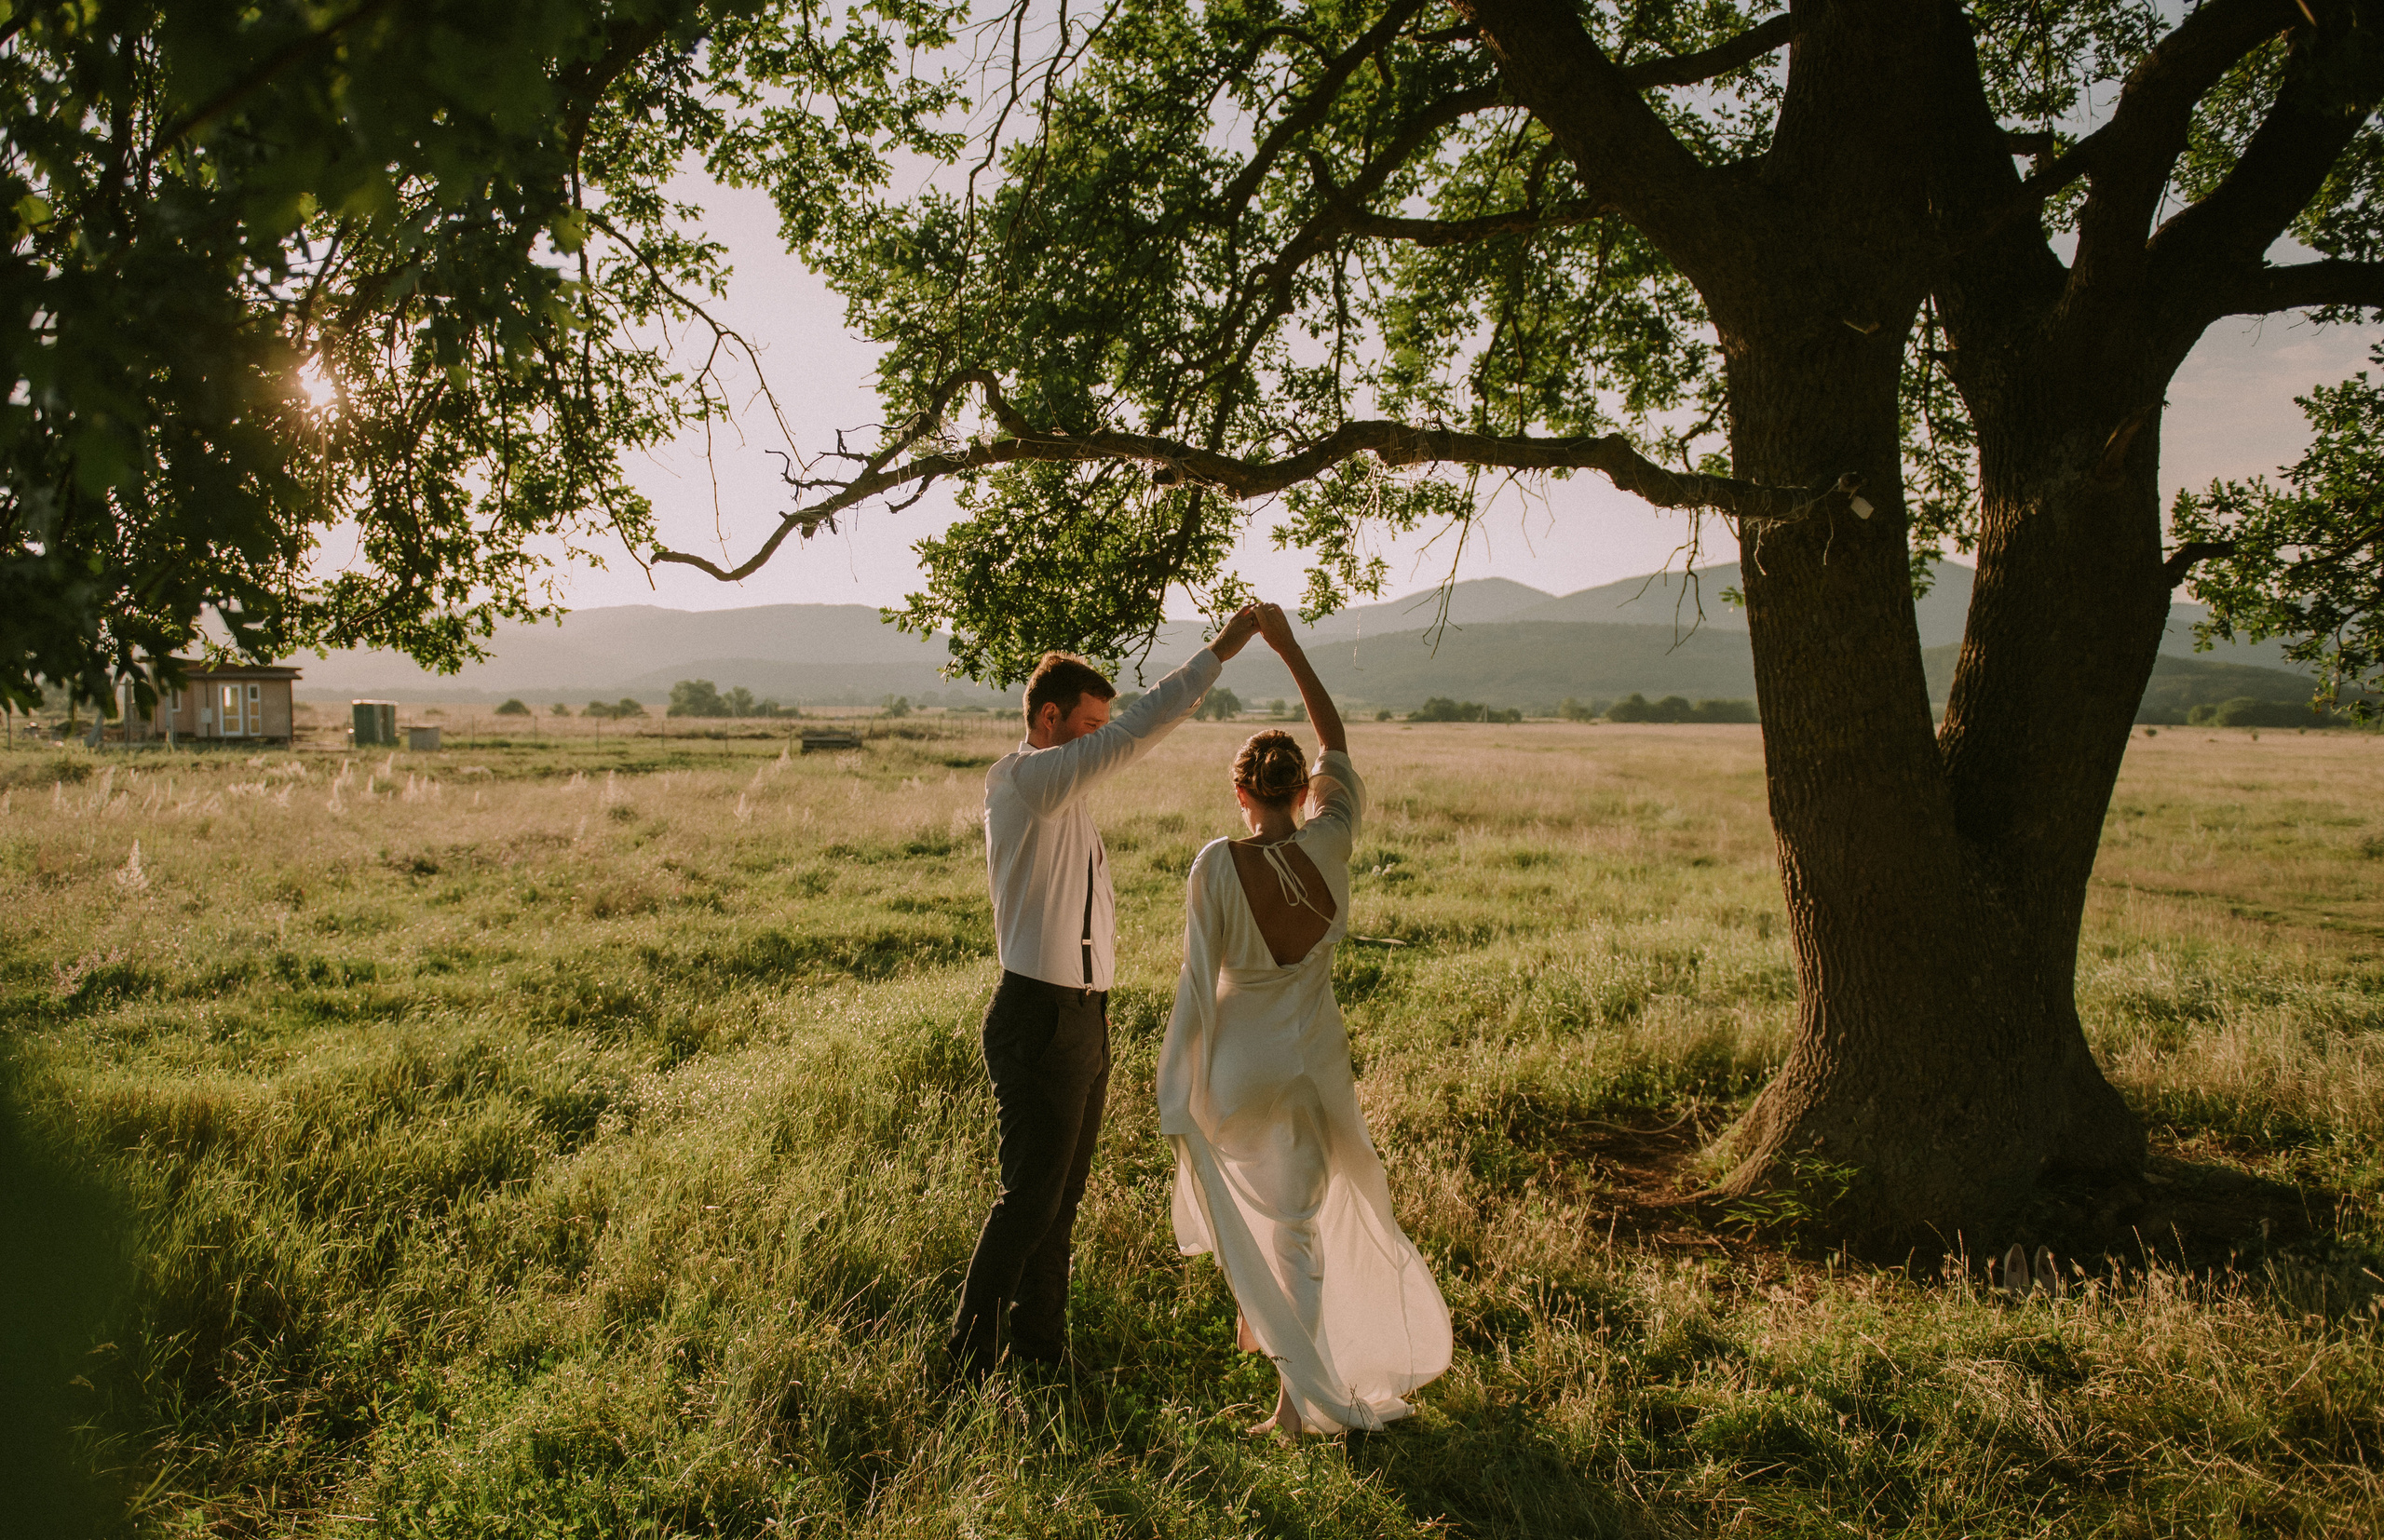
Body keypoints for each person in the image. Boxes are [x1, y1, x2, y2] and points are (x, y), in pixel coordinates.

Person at [1157, 602, 1451, 1436]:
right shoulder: (1331, 840)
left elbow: (1195, 979)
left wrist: (1178, 1084)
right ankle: (1292, 1405)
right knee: (1300, 1233)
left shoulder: (1214, 866)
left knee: (1255, 1219)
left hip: (1238, 1068)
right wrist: (1288, 647)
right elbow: (1337, 743)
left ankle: (1278, 1356)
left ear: (1241, 793)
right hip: (1313, 1064)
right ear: (1301, 791)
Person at [949, 605, 1264, 1378]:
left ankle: (1040, 1351)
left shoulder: (1065, 797)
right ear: (1048, 719)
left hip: (1085, 1017)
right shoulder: (1026, 782)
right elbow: (1136, 732)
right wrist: (1218, 652)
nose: (1100, 741)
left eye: (1100, 727)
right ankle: (966, 1363)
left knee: (1061, 1202)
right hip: (1038, 1014)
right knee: (1029, 1200)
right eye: (1089, 727)